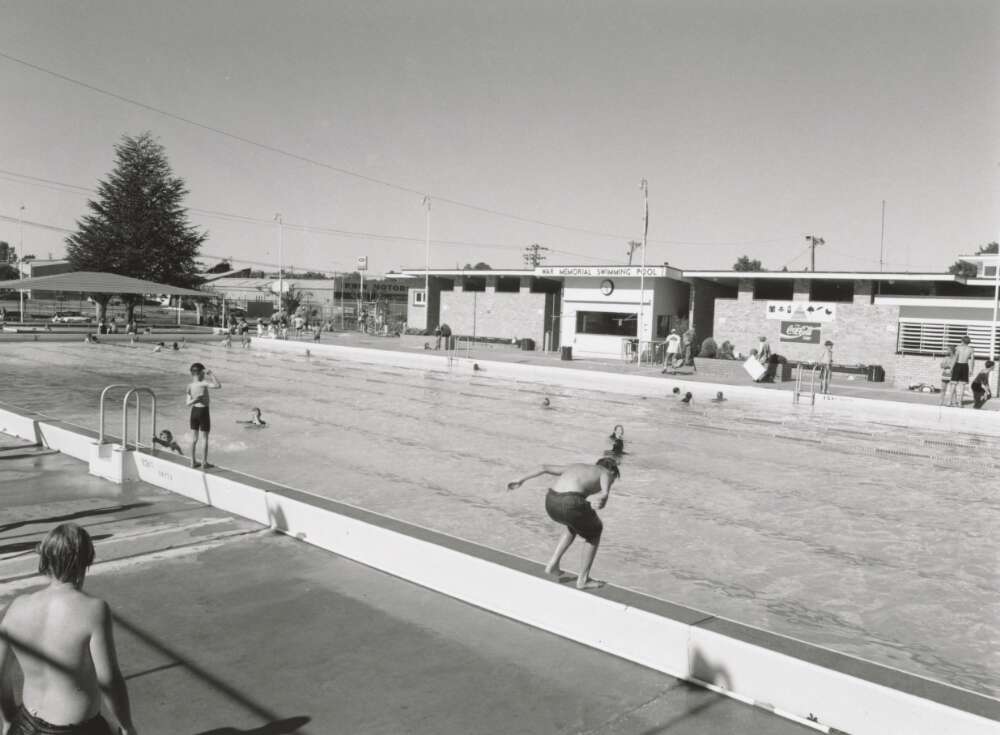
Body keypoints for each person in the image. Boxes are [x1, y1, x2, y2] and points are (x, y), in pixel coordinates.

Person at [0, 524, 138, 735]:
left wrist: (9, 718)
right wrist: (127, 726)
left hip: (26, 725)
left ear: (45, 560)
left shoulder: (17, 607)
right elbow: (109, 680)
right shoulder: (94, 610)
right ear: (86, 561)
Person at [506, 458, 619, 590]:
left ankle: (553, 564)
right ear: (612, 470)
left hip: (551, 501)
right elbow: (605, 488)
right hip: (570, 502)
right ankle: (583, 580)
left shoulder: (577, 466)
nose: (613, 480)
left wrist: (520, 479)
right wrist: (603, 496)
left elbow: (544, 467)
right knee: (595, 531)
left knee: (573, 525)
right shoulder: (606, 472)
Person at [186, 363, 221, 469]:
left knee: (194, 439)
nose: (204, 375)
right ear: (200, 373)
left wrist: (195, 400)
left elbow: (187, 403)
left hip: (194, 411)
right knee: (205, 438)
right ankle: (204, 462)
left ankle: (192, 462)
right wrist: (211, 374)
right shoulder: (203, 383)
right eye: (203, 373)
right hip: (203, 412)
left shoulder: (189, 386)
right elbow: (218, 385)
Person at [948, 336, 975, 407]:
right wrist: (971, 369)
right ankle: (960, 403)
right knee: (963, 385)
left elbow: (955, 358)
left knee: (953, 384)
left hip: (958, 365)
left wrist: (951, 368)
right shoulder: (971, 349)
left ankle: (949, 401)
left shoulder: (958, 348)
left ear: (962, 341)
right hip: (965, 366)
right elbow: (972, 361)